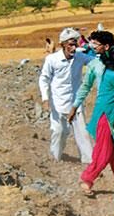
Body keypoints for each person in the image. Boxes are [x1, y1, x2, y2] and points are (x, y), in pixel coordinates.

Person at [38, 27, 96, 164]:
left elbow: (95, 63)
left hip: (76, 103)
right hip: (58, 103)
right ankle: (55, 159)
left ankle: (90, 163)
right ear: (62, 45)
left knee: (83, 134)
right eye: (70, 44)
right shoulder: (52, 59)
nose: (73, 47)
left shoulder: (80, 57)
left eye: (75, 44)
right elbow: (44, 78)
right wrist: (45, 98)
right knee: (59, 132)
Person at [80, 45, 114, 196]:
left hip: (108, 117)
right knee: (104, 153)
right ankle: (87, 180)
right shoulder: (113, 76)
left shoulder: (110, 73)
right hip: (106, 118)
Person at [68, 30, 114, 129]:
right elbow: (85, 86)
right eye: (92, 43)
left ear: (106, 46)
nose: (92, 46)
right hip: (103, 108)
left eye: (96, 44)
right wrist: (74, 107)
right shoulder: (94, 64)